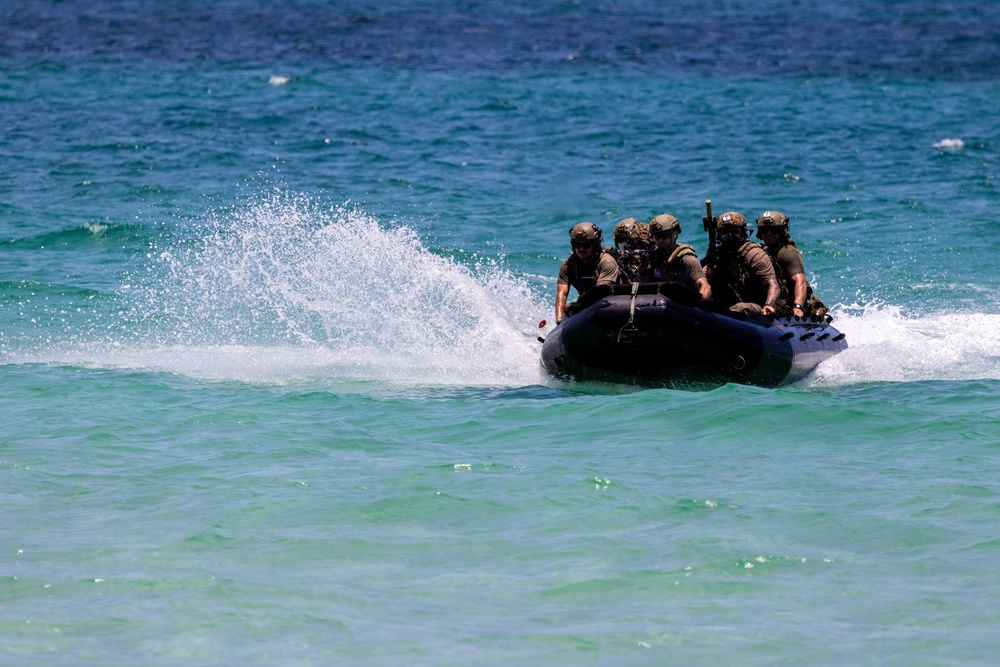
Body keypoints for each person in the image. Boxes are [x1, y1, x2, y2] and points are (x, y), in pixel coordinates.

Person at [704, 211, 785, 316]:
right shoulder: (717, 254)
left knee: (739, 308)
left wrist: (768, 305)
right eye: (725, 232)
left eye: (734, 232)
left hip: (758, 306)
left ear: (743, 232)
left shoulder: (753, 254)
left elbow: (773, 285)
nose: (729, 236)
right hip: (729, 303)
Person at [755, 210, 828, 318]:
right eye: (765, 230)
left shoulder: (788, 253)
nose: (769, 233)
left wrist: (797, 307)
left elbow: (800, 280)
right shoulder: (764, 251)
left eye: (774, 230)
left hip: (787, 304)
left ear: (782, 231)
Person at [555, 222, 620, 324]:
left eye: (586, 245)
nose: (581, 249)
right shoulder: (568, 266)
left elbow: (599, 293)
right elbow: (562, 293)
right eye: (578, 244)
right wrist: (559, 317)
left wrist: (577, 306)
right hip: (586, 304)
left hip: (610, 304)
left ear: (595, 244)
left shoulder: (606, 262)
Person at [641, 213, 712, 300]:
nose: (660, 240)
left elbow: (705, 287)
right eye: (656, 237)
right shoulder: (653, 258)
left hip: (683, 306)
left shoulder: (687, 260)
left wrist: (700, 303)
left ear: (674, 234)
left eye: (664, 236)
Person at [610, 217, 652, 283]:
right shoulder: (616, 261)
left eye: (627, 240)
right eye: (620, 240)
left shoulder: (647, 258)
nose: (623, 244)